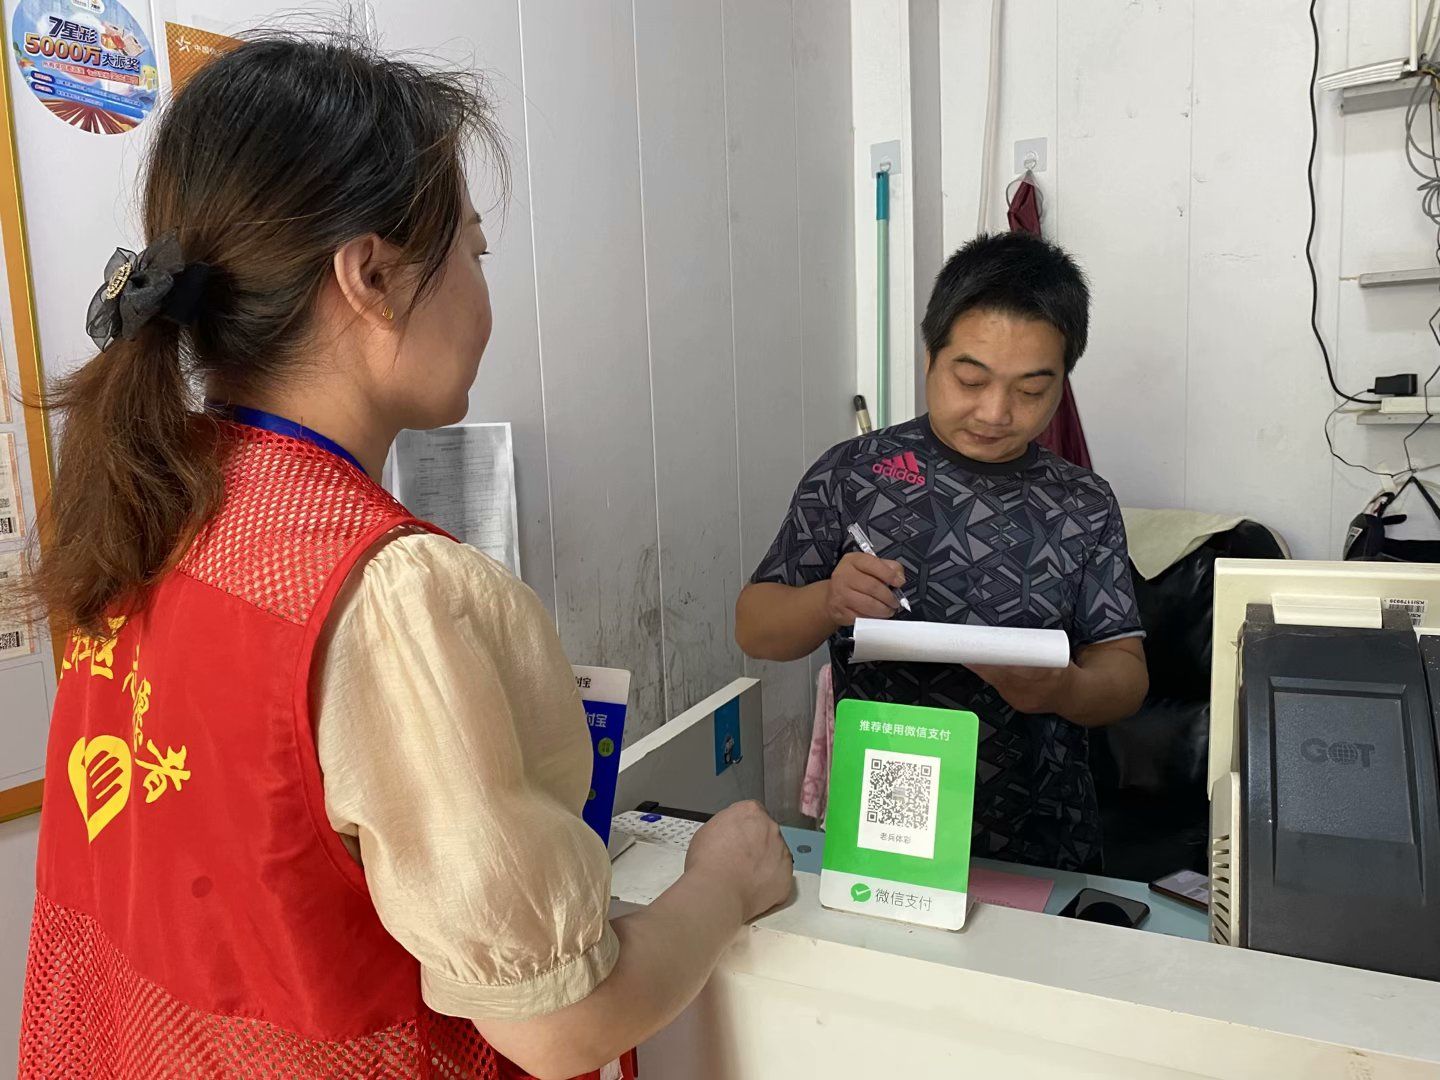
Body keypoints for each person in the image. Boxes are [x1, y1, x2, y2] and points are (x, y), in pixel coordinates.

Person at [13, 35, 791, 1080]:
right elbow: (560, 1023)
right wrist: (723, 885)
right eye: (473, 250)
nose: (482, 291)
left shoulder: (149, 506)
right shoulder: (388, 594)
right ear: (373, 276)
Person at [735, 232, 1148, 873]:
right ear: (930, 356)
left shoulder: (1082, 502)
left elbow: (1125, 674)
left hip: (1043, 829)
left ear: (1062, 383)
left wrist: (1065, 688)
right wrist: (827, 601)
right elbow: (755, 627)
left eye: (1030, 391)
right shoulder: (854, 474)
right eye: (971, 379)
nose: (995, 411)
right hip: (888, 815)